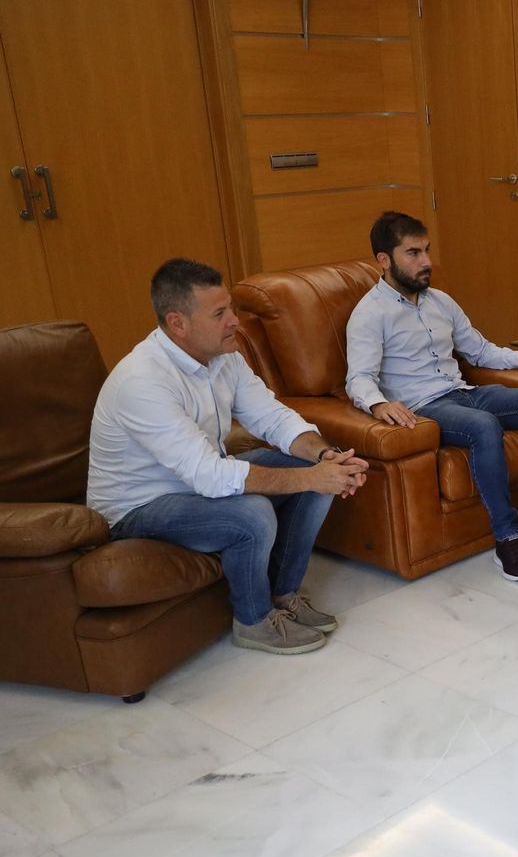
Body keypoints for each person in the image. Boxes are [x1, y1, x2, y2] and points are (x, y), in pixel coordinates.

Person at [88, 258, 368, 655]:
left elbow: (271, 417)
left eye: (231, 308)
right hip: (138, 508)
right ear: (178, 323)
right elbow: (209, 477)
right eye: (220, 313)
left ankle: (282, 597)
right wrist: (312, 478)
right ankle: (253, 622)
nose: (234, 321)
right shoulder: (142, 382)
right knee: (252, 513)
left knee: (313, 469)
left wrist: (325, 456)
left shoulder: (224, 356)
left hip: (195, 485)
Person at [346, 211, 518, 582]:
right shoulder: (369, 315)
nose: (426, 263)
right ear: (384, 261)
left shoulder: (440, 301)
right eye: (413, 254)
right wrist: (378, 403)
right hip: (427, 407)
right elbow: (358, 378)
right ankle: (507, 538)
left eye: (427, 251)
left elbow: (481, 351)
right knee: (484, 427)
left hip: (465, 392)